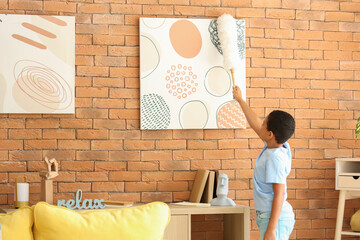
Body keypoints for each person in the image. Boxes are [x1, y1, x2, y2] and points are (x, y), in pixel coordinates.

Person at [233, 85, 296, 240]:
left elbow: (279, 194)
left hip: (275, 219)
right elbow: (256, 124)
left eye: (263, 124)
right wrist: (240, 100)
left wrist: (272, 229)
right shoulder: (278, 146)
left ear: (270, 134)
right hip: (270, 216)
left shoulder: (275, 158)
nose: (259, 125)